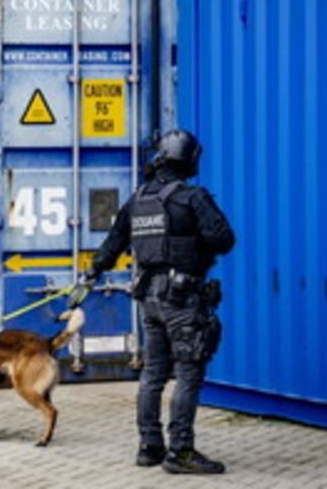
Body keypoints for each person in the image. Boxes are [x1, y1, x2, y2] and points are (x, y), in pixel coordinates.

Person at [75, 129, 235, 474]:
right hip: (182, 297)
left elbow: (112, 245)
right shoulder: (192, 197)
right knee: (189, 371)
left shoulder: (139, 198)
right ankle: (181, 451)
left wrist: (91, 273)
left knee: (153, 373)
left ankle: (150, 446)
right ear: (190, 159)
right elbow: (223, 239)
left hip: (147, 296)